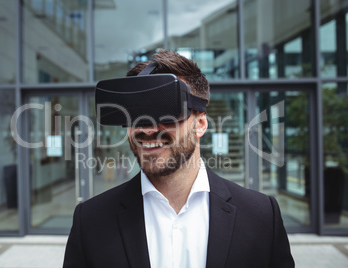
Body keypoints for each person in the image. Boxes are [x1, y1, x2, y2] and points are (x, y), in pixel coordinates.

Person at [63, 50, 294, 268]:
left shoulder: (261, 216)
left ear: (200, 124)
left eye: (166, 110)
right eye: (134, 113)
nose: (149, 129)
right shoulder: (91, 221)